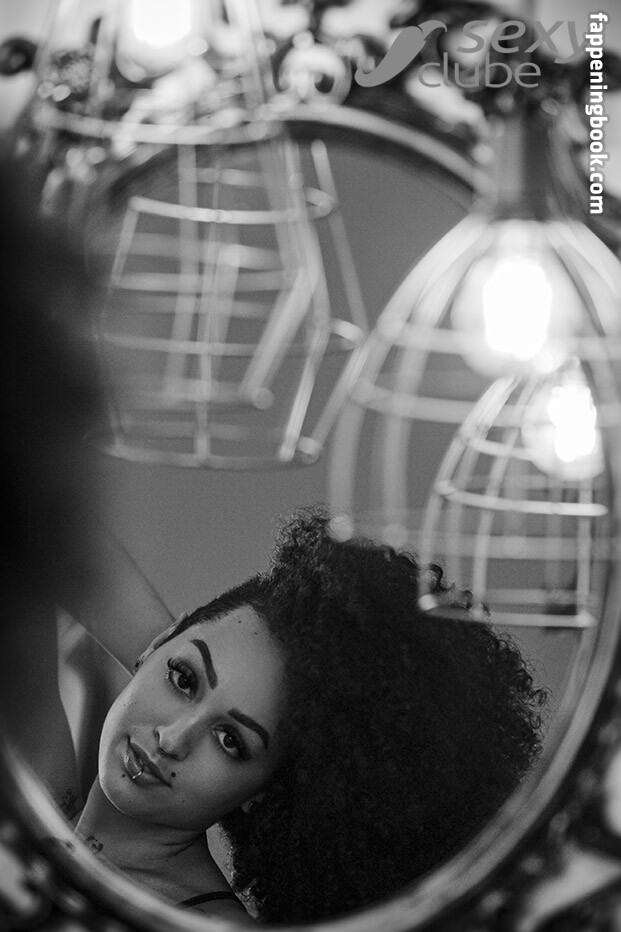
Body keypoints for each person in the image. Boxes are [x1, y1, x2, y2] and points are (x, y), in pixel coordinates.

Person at [73, 506, 547, 923]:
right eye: (183, 679)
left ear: (262, 793)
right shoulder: (46, 790)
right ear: (158, 644)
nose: (172, 739)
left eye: (231, 741)